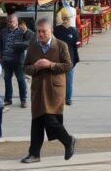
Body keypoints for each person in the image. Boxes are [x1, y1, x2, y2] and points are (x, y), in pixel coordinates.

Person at [21, 18, 76, 163]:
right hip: (38, 89)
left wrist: (50, 65)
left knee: (50, 119)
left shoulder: (61, 45)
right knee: (37, 120)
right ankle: (34, 154)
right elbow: (26, 67)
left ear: (50, 31)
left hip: (54, 90)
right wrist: (36, 67)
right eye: (38, 31)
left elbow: (68, 66)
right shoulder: (33, 48)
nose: (40, 34)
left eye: (43, 31)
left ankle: (68, 140)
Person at [0, 15, 28, 108]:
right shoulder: (3, 31)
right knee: (7, 79)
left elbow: (29, 40)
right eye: (8, 21)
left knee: (21, 80)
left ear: (16, 22)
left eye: (12, 21)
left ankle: (23, 100)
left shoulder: (21, 31)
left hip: (18, 60)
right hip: (6, 60)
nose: (10, 23)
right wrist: (0, 56)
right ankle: (8, 99)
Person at [53, 16, 81, 106]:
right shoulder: (72, 30)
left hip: (66, 58)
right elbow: (76, 43)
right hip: (63, 58)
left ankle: (64, 98)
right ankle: (66, 99)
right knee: (66, 80)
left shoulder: (57, 30)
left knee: (62, 80)